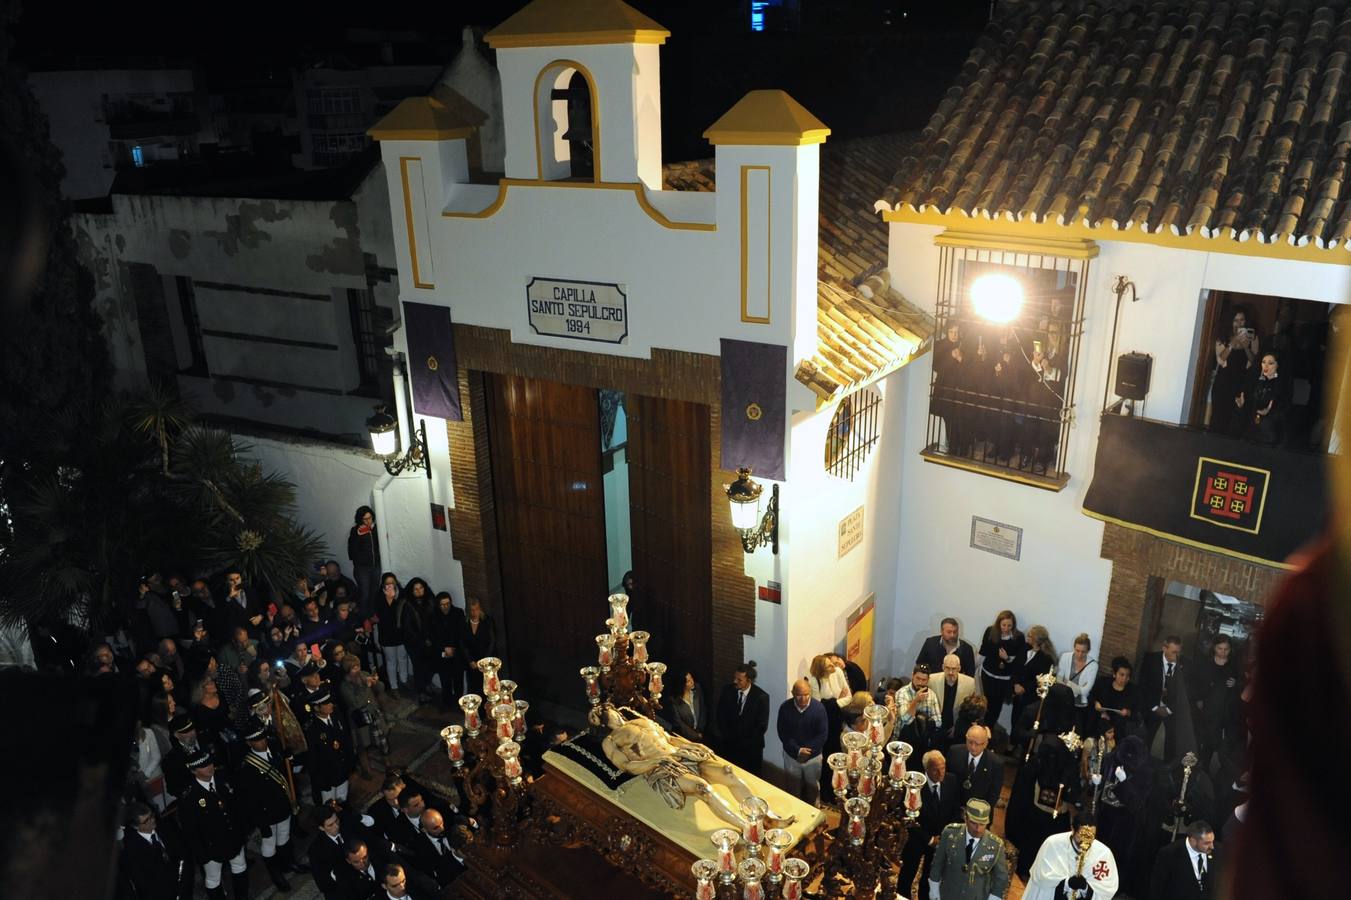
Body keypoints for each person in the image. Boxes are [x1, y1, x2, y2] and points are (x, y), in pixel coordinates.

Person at [594, 704, 796, 831]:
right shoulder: (610, 741)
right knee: (703, 789)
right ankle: (748, 829)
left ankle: (768, 818)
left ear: (611, 707)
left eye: (601, 709)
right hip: (663, 768)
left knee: (728, 772)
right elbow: (627, 765)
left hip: (680, 755)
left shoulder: (640, 719)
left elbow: (669, 738)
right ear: (599, 725)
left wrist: (691, 745)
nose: (599, 712)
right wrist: (655, 762)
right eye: (595, 715)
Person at [1006, 684, 1080, 878]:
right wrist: (1033, 736)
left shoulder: (1069, 716)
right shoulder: (1034, 710)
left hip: (1056, 778)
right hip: (1033, 772)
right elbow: (1016, 733)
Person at [236, 716, 303, 891]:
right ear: (249, 743)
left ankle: (288, 863)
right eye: (257, 740)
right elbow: (251, 801)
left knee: (285, 837)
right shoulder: (247, 768)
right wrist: (262, 824)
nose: (262, 742)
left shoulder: (274, 746)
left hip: (283, 804)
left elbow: (285, 774)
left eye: (263, 737)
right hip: (267, 812)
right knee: (269, 844)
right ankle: (276, 874)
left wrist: (288, 758)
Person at [176, 750, 250, 900]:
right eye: (203, 766)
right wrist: (203, 855)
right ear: (193, 771)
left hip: (233, 837)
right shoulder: (189, 797)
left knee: (240, 867)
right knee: (213, 879)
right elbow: (190, 831)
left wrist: (242, 832)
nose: (209, 767)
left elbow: (237, 807)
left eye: (210, 763)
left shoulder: (223, 778)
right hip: (211, 847)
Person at [898, 750, 961, 900]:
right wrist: (930, 839)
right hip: (917, 839)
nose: (941, 773)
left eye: (943, 768)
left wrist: (946, 835)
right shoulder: (914, 785)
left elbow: (955, 809)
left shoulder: (952, 781)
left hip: (940, 839)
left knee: (931, 875)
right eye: (935, 769)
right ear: (926, 769)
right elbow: (909, 819)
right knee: (907, 873)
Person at [927, 799, 1009, 900]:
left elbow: (1001, 877)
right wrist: (934, 889)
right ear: (965, 818)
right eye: (973, 823)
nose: (978, 829)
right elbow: (938, 862)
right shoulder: (950, 833)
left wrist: (994, 897)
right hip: (948, 894)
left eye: (982, 824)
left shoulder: (996, 845)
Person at [1023, 815, 1119, 900]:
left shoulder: (1104, 854)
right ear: (1073, 829)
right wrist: (1066, 883)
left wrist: (1086, 888)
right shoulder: (1053, 843)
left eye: (1091, 836)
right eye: (1081, 835)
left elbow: (1107, 889)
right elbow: (1041, 878)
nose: (1085, 841)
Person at [1189, 635, 1244, 775]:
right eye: (1220, 648)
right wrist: (1198, 699)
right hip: (1204, 709)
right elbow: (1195, 682)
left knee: (1212, 741)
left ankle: (1204, 767)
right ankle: (1192, 767)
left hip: (1222, 711)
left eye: (1226, 649)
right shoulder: (1205, 663)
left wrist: (1236, 684)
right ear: (1214, 648)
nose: (1223, 652)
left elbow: (1244, 685)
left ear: (1230, 650)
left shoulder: (1234, 666)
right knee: (1198, 737)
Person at [119, 802, 192, 900]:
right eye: (146, 821)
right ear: (136, 827)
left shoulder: (167, 827)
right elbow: (143, 883)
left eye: (152, 815)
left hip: (183, 889)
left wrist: (184, 884)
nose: (152, 820)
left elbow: (183, 855)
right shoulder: (131, 850)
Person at [714, 660, 771, 774]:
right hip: (729, 745)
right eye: (735, 678)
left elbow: (761, 726)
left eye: (739, 680)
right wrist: (727, 736)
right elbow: (720, 715)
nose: (735, 681)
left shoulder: (761, 697)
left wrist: (744, 743)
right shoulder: (727, 690)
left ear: (749, 681)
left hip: (750, 750)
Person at [1209, 307, 1259, 436]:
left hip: (1241, 383)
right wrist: (1231, 344)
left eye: (1242, 320)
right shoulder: (1223, 337)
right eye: (1235, 320)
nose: (1239, 324)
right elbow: (1220, 360)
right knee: (1218, 419)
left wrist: (1246, 347)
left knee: (1235, 420)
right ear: (1230, 322)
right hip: (1223, 383)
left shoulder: (1252, 337)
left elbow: (1254, 362)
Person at [808, 652, 853, 797]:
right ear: (821, 669)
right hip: (824, 721)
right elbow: (819, 706)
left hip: (836, 719)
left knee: (836, 753)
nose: (834, 666)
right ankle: (826, 790)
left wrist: (833, 703)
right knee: (827, 754)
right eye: (829, 666)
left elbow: (849, 696)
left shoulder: (838, 672)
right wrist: (836, 701)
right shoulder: (815, 680)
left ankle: (836, 788)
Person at [776, 678, 827, 804]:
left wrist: (807, 752)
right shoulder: (785, 708)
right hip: (792, 756)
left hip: (813, 758)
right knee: (792, 789)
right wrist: (798, 751)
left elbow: (822, 734)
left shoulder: (819, 709)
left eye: (806, 695)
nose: (803, 699)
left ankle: (815, 815)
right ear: (793, 693)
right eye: (799, 695)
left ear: (810, 692)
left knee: (813, 789)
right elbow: (783, 733)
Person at [337, 654, 390, 777]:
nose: (358, 670)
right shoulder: (345, 686)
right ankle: (366, 770)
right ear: (347, 670)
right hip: (359, 718)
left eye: (358, 666)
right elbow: (356, 703)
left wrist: (376, 682)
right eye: (354, 668)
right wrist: (366, 687)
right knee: (362, 744)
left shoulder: (364, 674)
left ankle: (388, 764)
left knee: (382, 740)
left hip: (373, 712)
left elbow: (380, 689)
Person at [1140, 636, 1191, 760]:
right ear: (1164, 648)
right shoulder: (1150, 660)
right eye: (1174, 652)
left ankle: (1168, 771)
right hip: (1152, 707)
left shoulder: (1187, 665)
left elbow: (1186, 692)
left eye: (1179, 651)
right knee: (1146, 740)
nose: (1177, 655)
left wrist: (1169, 709)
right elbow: (1143, 686)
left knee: (1172, 744)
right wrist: (1154, 707)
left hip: (1173, 710)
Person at [1010, 625, 1057, 755]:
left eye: (1030, 636)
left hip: (1031, 696)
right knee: (1015, 719)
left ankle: (1023, 748)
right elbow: (1015, 668)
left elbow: (1041, 680)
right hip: (1017, 693)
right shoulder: (1024, 649)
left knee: (1026, 723)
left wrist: (1024, 687)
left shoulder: (1046, 658)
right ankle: (1013, 743)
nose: (1027, 637)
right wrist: (1015, 684)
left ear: (1037, 640)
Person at [305, 688, 355, 803]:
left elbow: (346, 739)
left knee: (342, 799)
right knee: (329, 805)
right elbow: (313, 759)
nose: (331, 705)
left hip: (342, 769)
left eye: (330, 702)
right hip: (327, 777)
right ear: (317, 707)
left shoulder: (336, 715)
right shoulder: (312, 729)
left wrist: (350, 763)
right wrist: (321, 781)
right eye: (327, 704)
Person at [978, 609, 1026, 727]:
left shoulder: (1018, 637)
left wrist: (1007, 658)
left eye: (1010, 625)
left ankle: (989, 730)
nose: (1006, 628)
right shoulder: (990, 631)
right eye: (1003, 625)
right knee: (986, 704)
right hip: (988, 675)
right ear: (998, 624)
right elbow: (983, 652)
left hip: (1004, 679)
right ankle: (983, 730)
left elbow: (1019, 662)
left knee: (996, 706)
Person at [1150, 820, 1217, 899]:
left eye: (1212, 841)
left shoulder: (1219, 850)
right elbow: (1157, 888)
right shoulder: (1169, 854)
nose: (1212, 846)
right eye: (1206, 843)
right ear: (1193, 841)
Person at [946, 723, 1004, 810]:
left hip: (978, 813)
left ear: (985, 744)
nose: (973, 747)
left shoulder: (995, 764)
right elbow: (947, 782)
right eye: (970, 742)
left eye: (977, 744)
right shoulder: (954, 752)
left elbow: (993, 794)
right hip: (954, 808)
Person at [1240, 351, 1291, 446]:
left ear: (1277, 365)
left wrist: (1269, 410)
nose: (1266, 366)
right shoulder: (1256, 380)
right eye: (1263, 362)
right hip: (1251, 429)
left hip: (1270, 431)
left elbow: (1283, 406)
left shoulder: (1282, 383)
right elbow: (1248, 398)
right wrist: (1243, 403)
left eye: (1270, 363)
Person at [410, 808, 468, 888]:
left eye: (442, 823)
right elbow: (439, 873)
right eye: (436, 828)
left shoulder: (451, 828)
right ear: (424, 830)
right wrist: (456, 856)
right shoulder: (420, 848)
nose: (442, 828)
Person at [375, 573, 413, 694]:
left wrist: (394, 599)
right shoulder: (379, 597)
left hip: (400, 634)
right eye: (387, 584)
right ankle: (394, 686)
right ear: (383, 585)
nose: (390, 586)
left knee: (403, 658)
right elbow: (383, 616)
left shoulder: (401, 594)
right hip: (387, 635)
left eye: (392, 583)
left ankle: (404, 680)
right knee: (391, 661)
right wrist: (389, 599)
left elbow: (404, 613)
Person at [428, 592, 465, 708]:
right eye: (442, 604)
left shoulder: (458, 613)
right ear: (438, 605)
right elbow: (432, 637)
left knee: (458, 682)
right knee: (445, 682)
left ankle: (459, 705)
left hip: (457, 654)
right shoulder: (433, 617)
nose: (446, 607)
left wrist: (453, 649)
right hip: (442, 655)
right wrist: (444, 649)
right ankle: (447, 705)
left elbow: (461, 634)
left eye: (448, 604)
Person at [1089, 657, 1142, 739]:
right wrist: (1096, 703)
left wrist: (1128, 712)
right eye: (1121, 675)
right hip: (1101, 720)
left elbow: (1138, 713)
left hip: (1119, 727)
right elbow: (1091, 696)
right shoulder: (1103, 683)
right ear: (1114, 674)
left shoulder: (1133, 691)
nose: (1124, 679)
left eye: (1127, 676)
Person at [1058, 633, 1099, 734]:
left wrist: (1066, 682)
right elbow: (1058, 680)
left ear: (1088, 651)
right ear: (1074, 648)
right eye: (1077, 650)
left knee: (1075, 734)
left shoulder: (1093, 665)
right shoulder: (1065, 657)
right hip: (1063, 701)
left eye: (1083, 652)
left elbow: (1085, 691)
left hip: (1079, 705)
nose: (1080, 654)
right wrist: (1077, 688)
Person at [932, 654, 977, 745]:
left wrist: (958, 727)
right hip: (936, 727)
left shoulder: (969, 683)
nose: (950, 672)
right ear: (943, 667)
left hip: (956, 727)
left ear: (959, 668)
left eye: (954, 669)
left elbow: (970, 710)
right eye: (947, 668)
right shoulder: (932, 680)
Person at [348, 506, 381, 618]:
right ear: (360, 519)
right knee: (365, 593)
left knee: (374, 592)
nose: (368, 521)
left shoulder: (376, 528)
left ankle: (371, 616)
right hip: (362, 568)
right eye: (365, 519)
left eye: (370, 518)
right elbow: (351, 551)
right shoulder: (355, 530)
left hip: (375, 565)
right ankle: (362, 619)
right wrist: (358, 535)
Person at [460, 597, 497, 696]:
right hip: (471, 663)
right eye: (471, 610)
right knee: (473, 688)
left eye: (476, 609)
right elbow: (462, 643)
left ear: (480, 608)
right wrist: (470, 660)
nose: (474, 612)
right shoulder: (464, 622)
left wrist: (483, 662)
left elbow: (492, 642)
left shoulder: (487, 621)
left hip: (485, 662)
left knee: (487, 689)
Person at [668, 664, 709, 743]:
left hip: (700, 733)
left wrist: (700, 729)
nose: (692, 682)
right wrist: (695, 735)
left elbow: (703, 709)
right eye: (688, 681)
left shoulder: (697, 689)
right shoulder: (674, 700)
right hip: (683, 738)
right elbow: (679, 723)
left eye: (692, 678)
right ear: (682, 684)